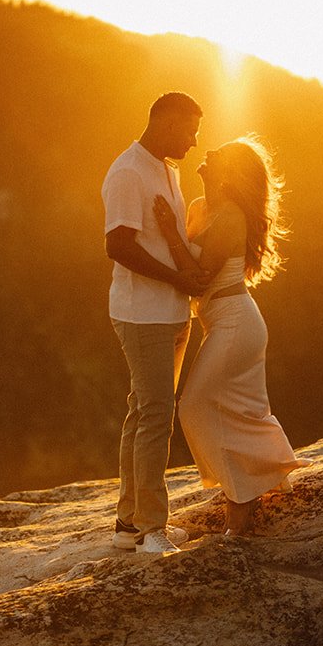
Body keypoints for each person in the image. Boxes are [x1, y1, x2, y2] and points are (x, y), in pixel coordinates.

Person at [154, 136, 308, 536]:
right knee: (226, 410)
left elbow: (199, 277)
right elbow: (180, 263)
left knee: (194, 406)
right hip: (220, 323)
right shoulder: (201, 208)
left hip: (236, 322)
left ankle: (241, 503)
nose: (210, 152)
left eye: (220, 154)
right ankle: (244, 502)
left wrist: (171, 232)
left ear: (230, 173)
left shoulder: (232, 217)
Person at [102, 92, 210, 555]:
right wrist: (177, 279)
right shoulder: (128, 171)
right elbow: (118, 246)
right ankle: (151, 529)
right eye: (189, 130)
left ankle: (130, 523)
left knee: (143, 410)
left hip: (169, 312)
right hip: (143, 312)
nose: (193, 141)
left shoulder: (166, 168)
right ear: (165, 122)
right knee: (155, 416)